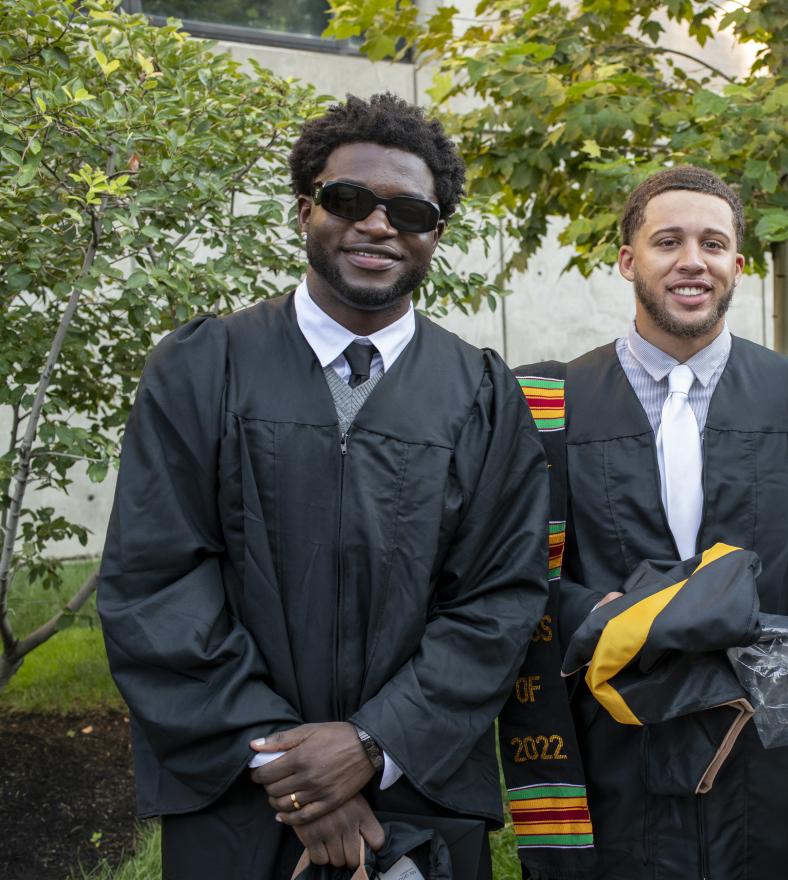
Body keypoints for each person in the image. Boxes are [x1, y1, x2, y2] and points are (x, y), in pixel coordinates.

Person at [97, 93, 549, 879]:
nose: (378, 225)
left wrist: (372, 745)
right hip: (236, 789)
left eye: (409, 210)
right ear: (304, 210)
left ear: (435, 234)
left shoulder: (481, 394)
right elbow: (156, 581)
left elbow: (499, 598)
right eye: (349, 200)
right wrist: (293, 768)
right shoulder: (205, 366)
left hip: (414, 786)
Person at [529, 166, 788, 879]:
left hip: (759, 739)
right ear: (627, 260)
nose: (691, 261)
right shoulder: (557, 401)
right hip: (616, 733)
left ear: (737, 264)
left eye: (712, 243)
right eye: (667, 241)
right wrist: (597, 614)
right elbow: (518, 571)